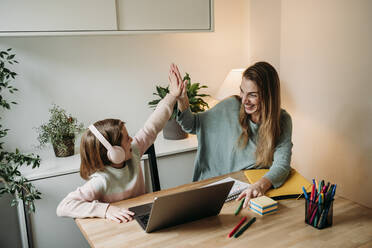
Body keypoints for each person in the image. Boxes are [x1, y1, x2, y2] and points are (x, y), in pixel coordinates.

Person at [56, 65, 184, 223]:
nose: (132, 140)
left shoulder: (134, 152)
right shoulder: (101, 181)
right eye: (126, 139)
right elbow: (63, 206)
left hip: (143, 219)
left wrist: (172, 95)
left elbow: (152, 126)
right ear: (114, 152)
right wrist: (105, 209)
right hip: (119, 228)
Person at [170, 62, 292, 208]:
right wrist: (182, 99)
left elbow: (282, 164)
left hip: (250, 192)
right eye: (242, 91)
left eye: (252, 95)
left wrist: (260, 185)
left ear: (269, 96)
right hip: (214, 190)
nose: (244, 100)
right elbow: (192, 125)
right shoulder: (230, 106)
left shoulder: (282, 120)